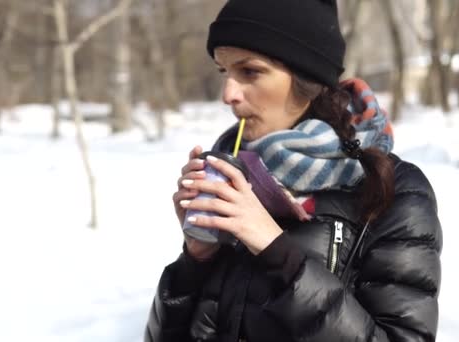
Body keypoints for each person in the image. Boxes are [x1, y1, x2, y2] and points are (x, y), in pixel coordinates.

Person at [145, 0, 442, 341]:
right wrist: (194, 263)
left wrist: (278, 253)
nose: (228, 94)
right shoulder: (234, 176)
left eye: (250, 71)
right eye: (224, 72)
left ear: (308, 78)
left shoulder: (393, 190)